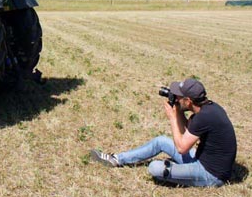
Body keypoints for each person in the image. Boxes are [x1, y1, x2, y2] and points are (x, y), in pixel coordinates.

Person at [90, 78, 237, 187]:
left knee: (155, 167)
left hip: (211, 175)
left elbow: (181, 147)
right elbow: (187, 131)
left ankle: (179, 171)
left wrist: (172, 118)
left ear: (188, 101)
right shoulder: (209, 108)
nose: (175, 97)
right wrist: (178, 111)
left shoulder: (204, 117)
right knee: (160, 141)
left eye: (179, 97)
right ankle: (117, 159)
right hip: (202, 160)